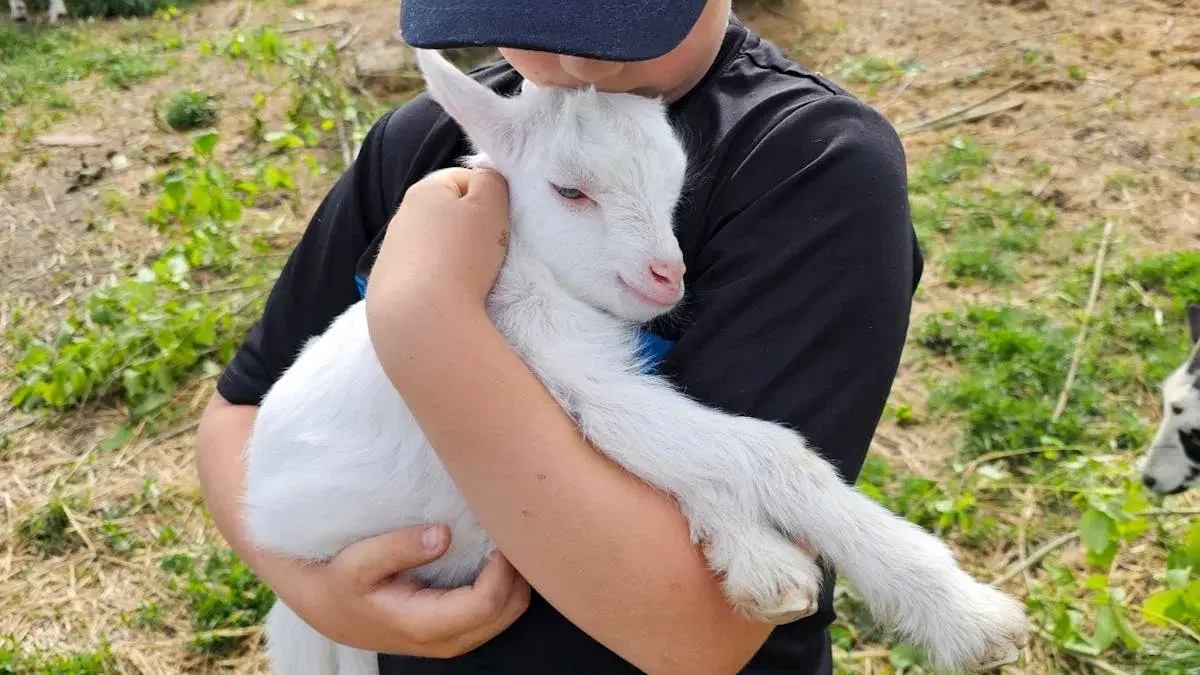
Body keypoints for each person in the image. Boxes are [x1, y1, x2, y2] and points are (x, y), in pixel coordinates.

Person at [195, 0, 924, 672]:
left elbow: (695, 633)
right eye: (529, 9)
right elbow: (240, 412)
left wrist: (426, 316)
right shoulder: (421, 140)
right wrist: (317, 594)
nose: (581, 62)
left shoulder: (808, 166)